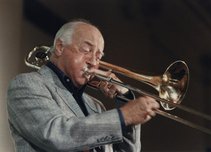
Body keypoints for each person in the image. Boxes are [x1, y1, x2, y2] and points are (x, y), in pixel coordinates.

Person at [7, 19, 160, 152]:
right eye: (86, 50)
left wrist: (125, 99)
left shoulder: (96, 105)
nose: (94, 62)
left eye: (98, 56)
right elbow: (55, 135)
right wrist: (123, 116)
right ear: (60, 47)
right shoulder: (27, 84)